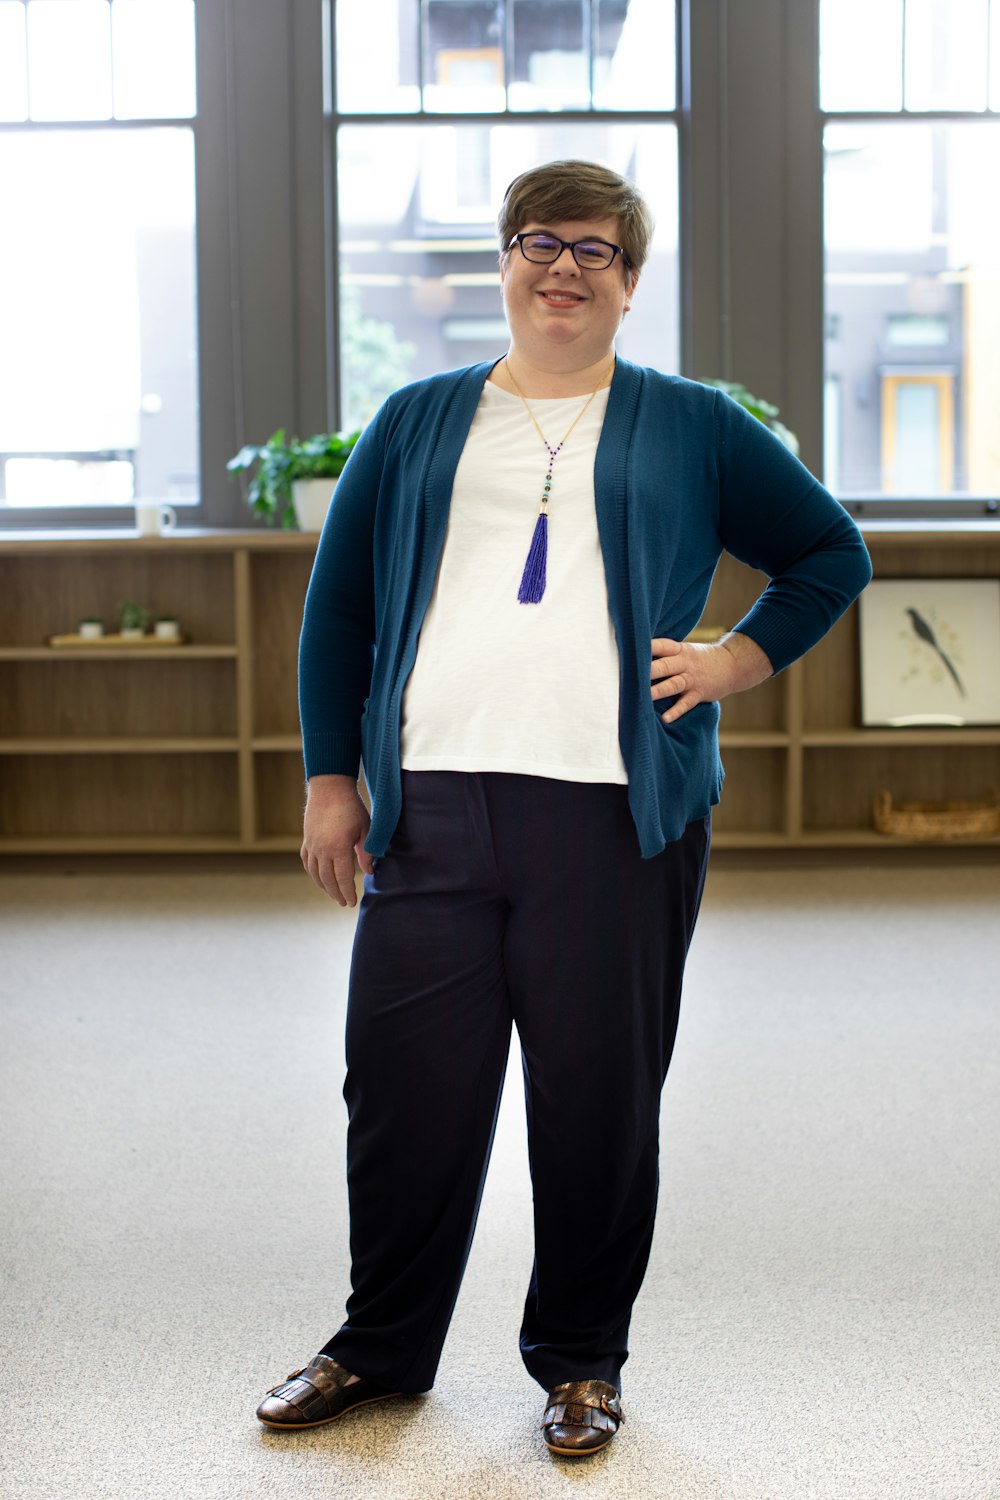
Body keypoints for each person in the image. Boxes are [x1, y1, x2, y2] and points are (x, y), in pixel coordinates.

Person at [255, 159, 871, 1458]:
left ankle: (583, 1363)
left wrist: (729, 663)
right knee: (405, 1091)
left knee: (597, 1098)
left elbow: (830, 552)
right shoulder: (420, 421)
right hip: (433, 815)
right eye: (540, 243)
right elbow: (342, 611)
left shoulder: (692, 423)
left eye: (595, 251)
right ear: (504, 264)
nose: (564, 269)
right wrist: (329, 778)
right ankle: (380, 1345)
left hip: (614, 820)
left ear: (630, 282)